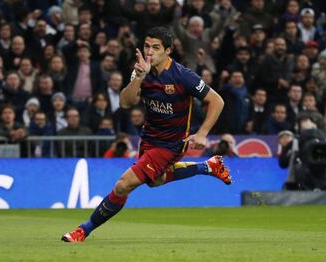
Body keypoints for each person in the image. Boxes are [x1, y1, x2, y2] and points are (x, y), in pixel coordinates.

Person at [61, 27, 231, 243]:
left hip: (171, 144)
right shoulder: (142, 72)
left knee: (123, 185)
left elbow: (217, 101)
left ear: (168, 51)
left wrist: (203, 133)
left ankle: (83, 231)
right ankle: (209, 166)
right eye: (147, 46)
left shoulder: (183, 76)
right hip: (149, 139)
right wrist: (138, 78)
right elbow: (125, 103)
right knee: (155, 180)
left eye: (156, 47)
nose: (149, 51)